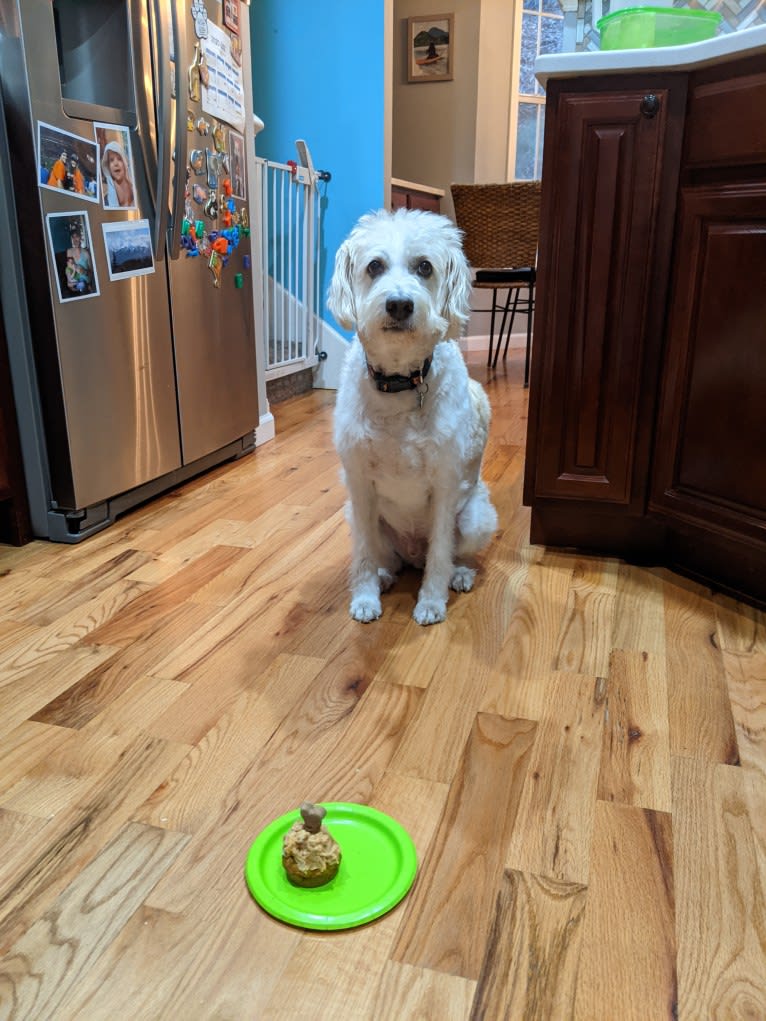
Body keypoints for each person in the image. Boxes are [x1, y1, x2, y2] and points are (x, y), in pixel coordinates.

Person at [101, 140, 135, 207]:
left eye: (119, 159)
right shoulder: (108, 198)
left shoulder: (133, 186)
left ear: (125, 163)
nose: (116, 163)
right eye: (111, 160)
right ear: (108, 167)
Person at [66, 228, 92, 292]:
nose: (75, 239)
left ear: (80, 238)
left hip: (85, 281)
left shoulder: (86, 253)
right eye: (73, 237)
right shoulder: (69, 251)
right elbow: (69, 268)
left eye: (77, 236)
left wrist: (84, 271)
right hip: (75, 281)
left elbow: (91, 272)